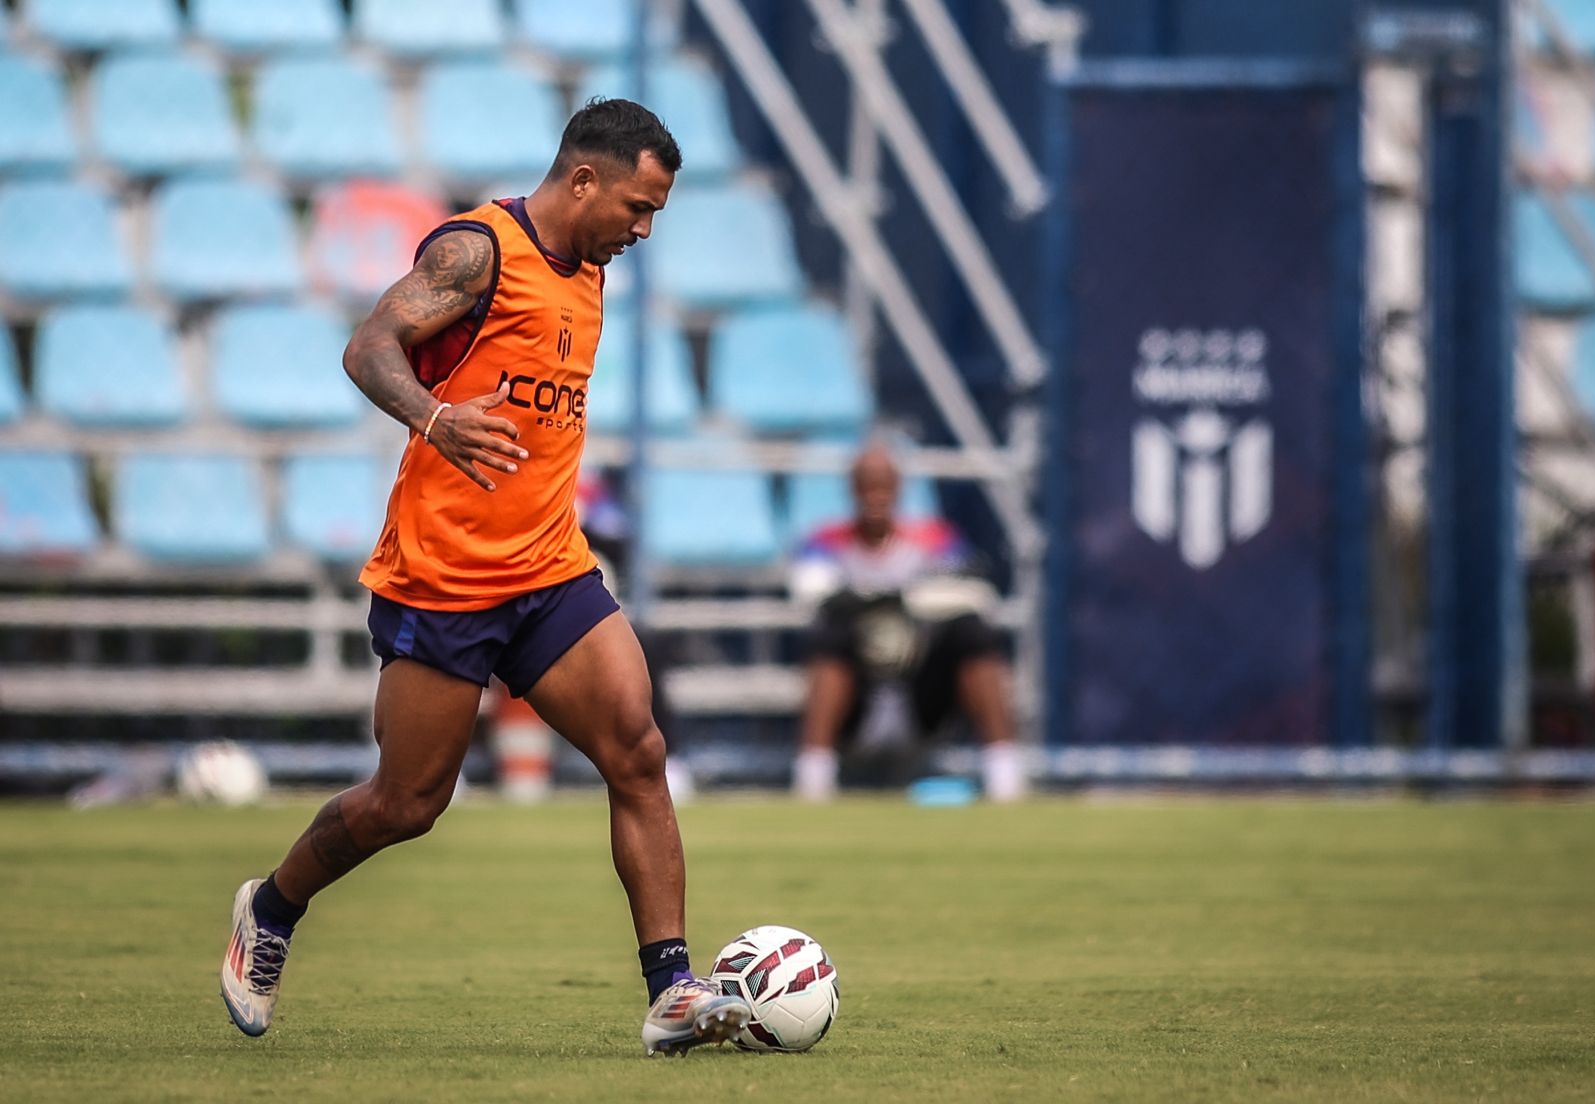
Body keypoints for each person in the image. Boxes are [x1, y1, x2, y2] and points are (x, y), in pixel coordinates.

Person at [219, 99, 750, 1057]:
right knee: (407, 804)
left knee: (637, 748)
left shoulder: (588, 271)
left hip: (551, 567)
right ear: (582, 179)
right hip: (443, 579)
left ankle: (672, 989)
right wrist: (434, 417)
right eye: (636, 207)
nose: (642, 230)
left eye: (655, 215)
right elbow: (367, 346)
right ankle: (272, 907)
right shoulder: (478, 252)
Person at [789, 443, 1026, 802]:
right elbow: (812, 591)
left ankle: (1005, 776)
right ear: (851, 490)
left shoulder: (934, 540)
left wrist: (894, 599)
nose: (875, 496)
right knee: (830, 638)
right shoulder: (827, 542)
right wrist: (893, 598)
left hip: (921, 685)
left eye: (883, 485)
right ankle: (814, 778)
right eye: (866, 485)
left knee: (973, 635)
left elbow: (974, 593)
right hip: (860, 688)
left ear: (899, 489)